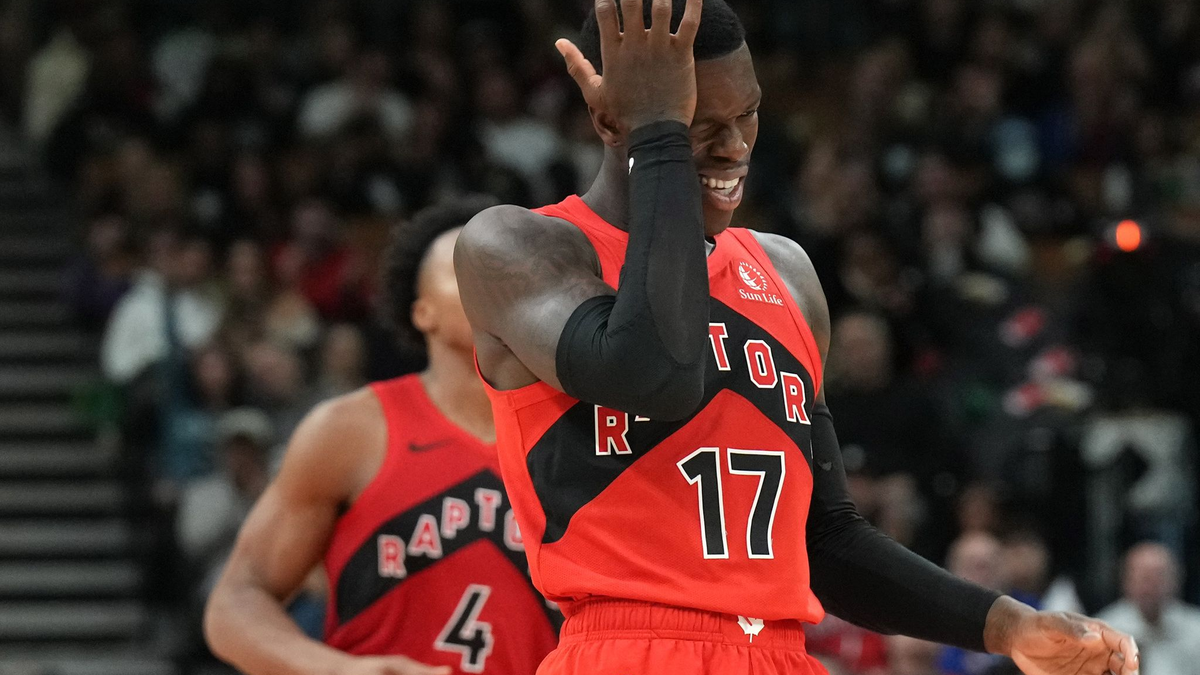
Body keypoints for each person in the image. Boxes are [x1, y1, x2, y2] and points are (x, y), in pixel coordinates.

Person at [452, 1, 1140, 673]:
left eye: (746, 115)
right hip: (630, 647)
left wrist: (1009, 624)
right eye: (700, 124)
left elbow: (827, 536)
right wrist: (657, 129)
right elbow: (655, 371)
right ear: (612, 118)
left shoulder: (785, 273)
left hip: (781, 650)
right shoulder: (520, 246)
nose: (735, 148)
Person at [204, 198, 559, 675]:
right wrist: (336, 670)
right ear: (422, 313)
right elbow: (236, 601)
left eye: (506, 269)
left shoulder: (592, 438)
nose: (492, 284)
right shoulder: (350, 432)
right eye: (466, 269)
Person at [1098, 543, 1200, 675]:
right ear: (1126, 581)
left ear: (1177, 581)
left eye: (1160, 576)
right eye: (1145, 578)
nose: (1152, 586)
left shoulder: (1196, 629)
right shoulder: (1102, 631)